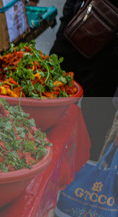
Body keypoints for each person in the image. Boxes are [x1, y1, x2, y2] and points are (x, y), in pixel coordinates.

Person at [50, 0, 118, 159]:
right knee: (51, 104)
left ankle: (82, 171)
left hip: (111, 51)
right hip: (77, 25)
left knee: (95, 122)